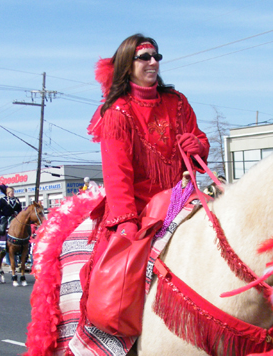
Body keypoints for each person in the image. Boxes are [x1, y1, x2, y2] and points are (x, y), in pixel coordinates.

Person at [86, 34, 209, 244]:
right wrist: (126, 220)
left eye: (156, 56)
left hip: (183, 202)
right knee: (121, 271)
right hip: (141, 211)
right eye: (144, 57)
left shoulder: (177, 101)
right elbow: (117, 173)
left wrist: (198, 146)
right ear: (127, 65)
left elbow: (199, 140)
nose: (153, 62)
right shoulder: (118, 112)